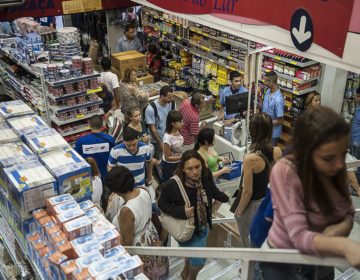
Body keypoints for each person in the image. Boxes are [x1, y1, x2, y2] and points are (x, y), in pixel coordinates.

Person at [260, 107, 359, 279]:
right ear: (306, 152)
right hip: (284, 266)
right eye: (328, 158)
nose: (338, 165)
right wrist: (343, 245)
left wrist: (330, 236)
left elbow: (348, 212)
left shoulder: (332, 166)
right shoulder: (286, 172)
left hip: (321, 261)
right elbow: (299, 237)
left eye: (342, 155)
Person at [158, 150, 229, 280]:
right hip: (188, 230)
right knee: (199, 262)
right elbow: (162, 204)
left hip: (203, 225)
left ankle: (185, 274)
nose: (195, 172)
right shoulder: (173, 184)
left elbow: (212, 190)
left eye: (197, 167)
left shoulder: (205, 174)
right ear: (183, 169)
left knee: (191, 258)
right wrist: (181, 211)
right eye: (189, 168)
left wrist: (226, 197)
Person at [106, 166, 169, 280]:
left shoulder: (126, 211)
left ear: (116, 191)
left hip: (140, 248)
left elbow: (128, 242)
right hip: (151, 235)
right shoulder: (143, 191)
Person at [233, 113, 282, 248]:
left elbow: (248, 192)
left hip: (254, 205)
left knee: (248, 240)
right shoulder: (277, 151)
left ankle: (249, 266)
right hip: (270, 201)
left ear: (253, 131)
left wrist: (239, 211)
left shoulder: (250, 159)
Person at [75, 115, 115, 181]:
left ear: (90, 125)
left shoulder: (81, 141)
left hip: (89, 175)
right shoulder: (110, 139)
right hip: (106, 174)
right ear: (102, 125)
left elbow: (77, 158)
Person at [145, 85, 175, 159]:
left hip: (168, 137)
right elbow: (152, 128)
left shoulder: (172, 103)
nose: (172, 99)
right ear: (162, 96)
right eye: (169, 97)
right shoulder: (151, 109)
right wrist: (160, 143)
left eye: (172, 96)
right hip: (156, 140)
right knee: (158, 158)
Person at [262, 71, 284, 146]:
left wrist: (265, 122)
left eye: (265, 81)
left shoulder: (278, 99)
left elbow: (280, 121)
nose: (264, 82)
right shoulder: (268, 91)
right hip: (265, 130)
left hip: (273, 134)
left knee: (269, 153)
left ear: (270, 82)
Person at [161, 110, 184, 182]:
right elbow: (167, 157)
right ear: (173, 124)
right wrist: (182, 157)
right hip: (170, 166)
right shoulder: (168, 138)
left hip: (178, 162)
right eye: (180, 122)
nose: (182, 123)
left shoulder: (178, 130)